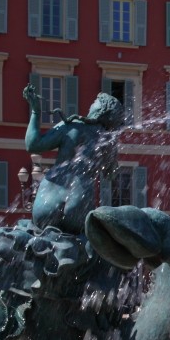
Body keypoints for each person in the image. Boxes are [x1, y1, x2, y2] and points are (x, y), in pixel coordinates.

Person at [23, 84, 125, 234]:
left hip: (50, 195)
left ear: (101, 109)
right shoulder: (107, 141)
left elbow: (33, 145)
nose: (91, 105)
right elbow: (110, 175)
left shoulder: (71, 126)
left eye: (94, 103)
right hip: (79, 200)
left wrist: (35, 111)